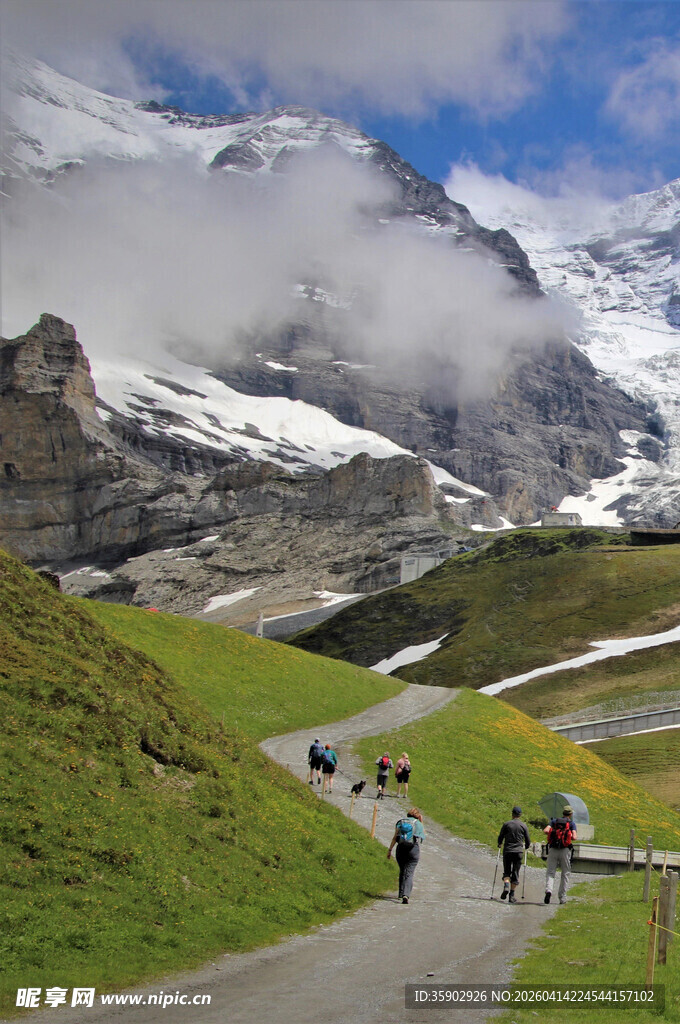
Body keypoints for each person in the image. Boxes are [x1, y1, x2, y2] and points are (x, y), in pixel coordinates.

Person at [387, 807, 426, 904]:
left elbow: (395, 837)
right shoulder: (418, 823)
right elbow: (423, 835)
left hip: (400, 848)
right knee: (409, 872)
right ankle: (406, 894)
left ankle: (400, 894)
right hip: (413, 849)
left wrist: (390, 850)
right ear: (417, 816)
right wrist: (421, 822)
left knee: (402, 870)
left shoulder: (401, 822)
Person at [543, 804, 577, 905]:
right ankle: (562, 897)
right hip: (565, 850)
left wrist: (553, 833)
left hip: (553, 849)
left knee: (550, 871)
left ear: (563, 813)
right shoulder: (571, 824)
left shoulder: (554, 821)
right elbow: (574, 837)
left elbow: (545, 830)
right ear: (570, 814)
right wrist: (568, 835)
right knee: (565, 873)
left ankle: (549, 890)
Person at [497, 805, 530, 904]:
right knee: (515, 872)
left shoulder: (506, 824)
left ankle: (506, 885)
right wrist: (527, 846)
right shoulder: (523, 826)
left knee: (507, 871)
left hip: (508, 851)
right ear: (520, 815)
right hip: (518, 852)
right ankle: (511, 895)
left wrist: (499, 844)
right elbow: (528, 840)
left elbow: (501, 836)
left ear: (512, 814)